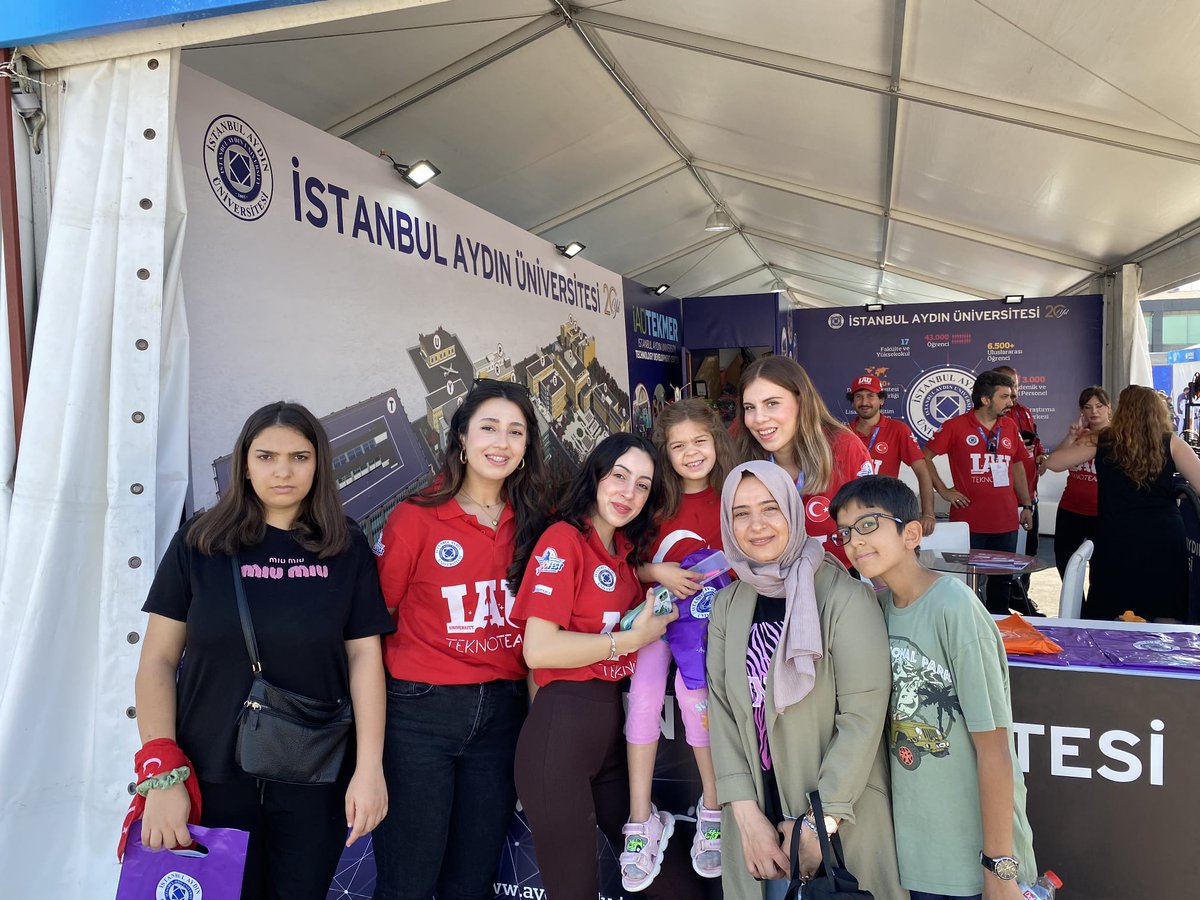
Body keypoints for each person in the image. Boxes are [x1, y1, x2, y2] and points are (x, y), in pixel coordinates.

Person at [132, 402, 394, 900]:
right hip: (208, 774)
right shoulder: (201, 541)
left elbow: (365, 659)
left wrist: (370, 769)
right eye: (266, 456)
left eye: (299, 457)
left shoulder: (346, 545)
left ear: (318, 464)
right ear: (244, 463)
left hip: (314, 778)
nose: (282, 471)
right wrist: (162, 774)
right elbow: (157, 662)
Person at [372, 379, 551, 900]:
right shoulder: (415, 518)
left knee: (471, 882)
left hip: (503, 715)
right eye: (489, 428)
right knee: (408, 880)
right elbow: (373, 621)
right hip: (418, 716)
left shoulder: (537, 524)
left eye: (515, 432)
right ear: (461, 438)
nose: (502, 442)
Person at [830, 476, 1037, 900]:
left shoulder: (954, 606)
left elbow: (995, 747)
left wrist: (999, 866)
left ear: (911, 533)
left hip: (976, 857)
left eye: (868, 524)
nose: (854, 541)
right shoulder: (876, 610)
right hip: (916, 855)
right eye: (845, 532)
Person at [707, 460, 904, 900]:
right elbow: (721, 712)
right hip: (759, 826)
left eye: (771, 508)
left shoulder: (843, 596)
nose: (757, 525)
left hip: (837, 820)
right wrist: (744, 814)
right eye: (741, 513)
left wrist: (817, 825)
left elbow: (863, 716)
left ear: (793, 513)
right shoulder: (728, 604)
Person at [511, 433, 677, 900]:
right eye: (618, 477)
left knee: (672, 884)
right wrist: (630, 640)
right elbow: (538, 651)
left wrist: (655, 572)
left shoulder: (623, 553)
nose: (628, 493)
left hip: (609, 736)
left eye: (642, 485)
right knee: (575, 890)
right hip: (560, 734)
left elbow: (620, 580)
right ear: (595, 477)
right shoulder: (563, 539)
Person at [621, 399, 735, 889]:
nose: (691, 453)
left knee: (697, 705)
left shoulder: (734, 493)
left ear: (717, 441)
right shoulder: (653, 500)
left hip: (710, 627)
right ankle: (641, 817)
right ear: (664, 452)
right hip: (657, 617)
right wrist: (655, 571)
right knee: (643, 701)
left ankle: (712, 807)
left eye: (699, 442)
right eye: (678, 445)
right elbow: (625, 561)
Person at [1045, 384, 1200, 622]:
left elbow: (1054, 463)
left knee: (1111, 607)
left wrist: (1072, 438)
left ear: (1122, 410)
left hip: (1116, 534)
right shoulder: (1171, 442)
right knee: (1166, 607)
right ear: (1156, 412)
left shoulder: (1102, 439)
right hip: (1164, 534)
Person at [737, 356, 874, 570]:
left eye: (772, 403)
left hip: (837, 582)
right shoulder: (742, 455)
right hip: (770, 584)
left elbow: (873, 528)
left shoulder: (844, 447)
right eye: (749, 407)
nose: (759, 418)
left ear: (801, 401)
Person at [922, 370, 1034, 614]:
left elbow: (1017, 466)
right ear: (985, 399)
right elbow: (924, 458)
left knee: (1001, 583)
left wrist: (1026, 505)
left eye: (1012, 396)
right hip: (968, 520)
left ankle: (1000, 631)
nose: (1011, 402)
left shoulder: (1009, 425)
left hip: (1005, 520)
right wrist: (944, 490)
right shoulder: (955, 426)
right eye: (1004, 397)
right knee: (966, 584)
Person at [846, 372, 937, 535]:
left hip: (885, 513)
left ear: (881, 400)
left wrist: (928, 513)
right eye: (858, 397)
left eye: (870, 396)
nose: (864, 402)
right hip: (849, 513)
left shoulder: (898, 430)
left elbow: (923, 472)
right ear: (852, 401)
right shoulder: (842, 433)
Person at [992, 366, 1047, 610]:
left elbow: (1035, 442)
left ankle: (1021, 594)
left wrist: (1040, 455)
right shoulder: (989, 417)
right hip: (1004, 499)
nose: (1013, 392)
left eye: (1015, 385)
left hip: (1029, 495)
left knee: (1029, 553)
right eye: (1007, 387)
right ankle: (1004, 600)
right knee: (1002, 559)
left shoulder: (1024, 411)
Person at [1051, 386, 1111, 580]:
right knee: (1065, 561)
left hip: (1103, 511)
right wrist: (1071, 437)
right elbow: (1053, 462)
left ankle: (1095, 608)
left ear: (1109, 408)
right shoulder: (1080, 436)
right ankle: (1076, 606)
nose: (1094, 411)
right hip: (1071, 508)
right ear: (1082, 411)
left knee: (1102, 564)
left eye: (1099, 406)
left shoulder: (1118, 436)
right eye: (1088, 407)